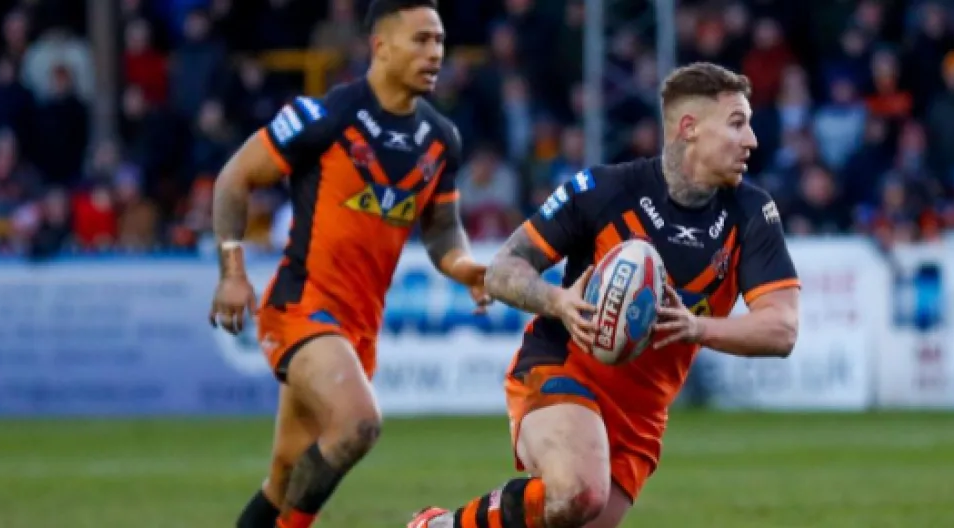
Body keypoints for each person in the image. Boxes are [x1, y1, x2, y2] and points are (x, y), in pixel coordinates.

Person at [408, 62, 801, 528]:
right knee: (580, 492)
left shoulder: (752, 213)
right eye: (737, 124)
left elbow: (781, 329)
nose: (751, 140)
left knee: (567, 515)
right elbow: (502, 270)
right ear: (689, 128)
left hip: (642, 413)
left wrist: (696, 327)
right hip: (563, 366)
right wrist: (558, 302)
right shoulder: (605, 190)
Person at [207, 2, 490, 527]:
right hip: (302, 308)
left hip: (358, 327)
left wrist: (463, 265)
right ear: (381, 47)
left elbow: (441, 230)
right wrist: (232, 271)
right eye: (421, 40)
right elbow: (234, 177)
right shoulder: (326, 116)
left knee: (285, 479)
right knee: (358, 424)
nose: (435, 53)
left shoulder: (440, 139)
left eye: (439, 41)